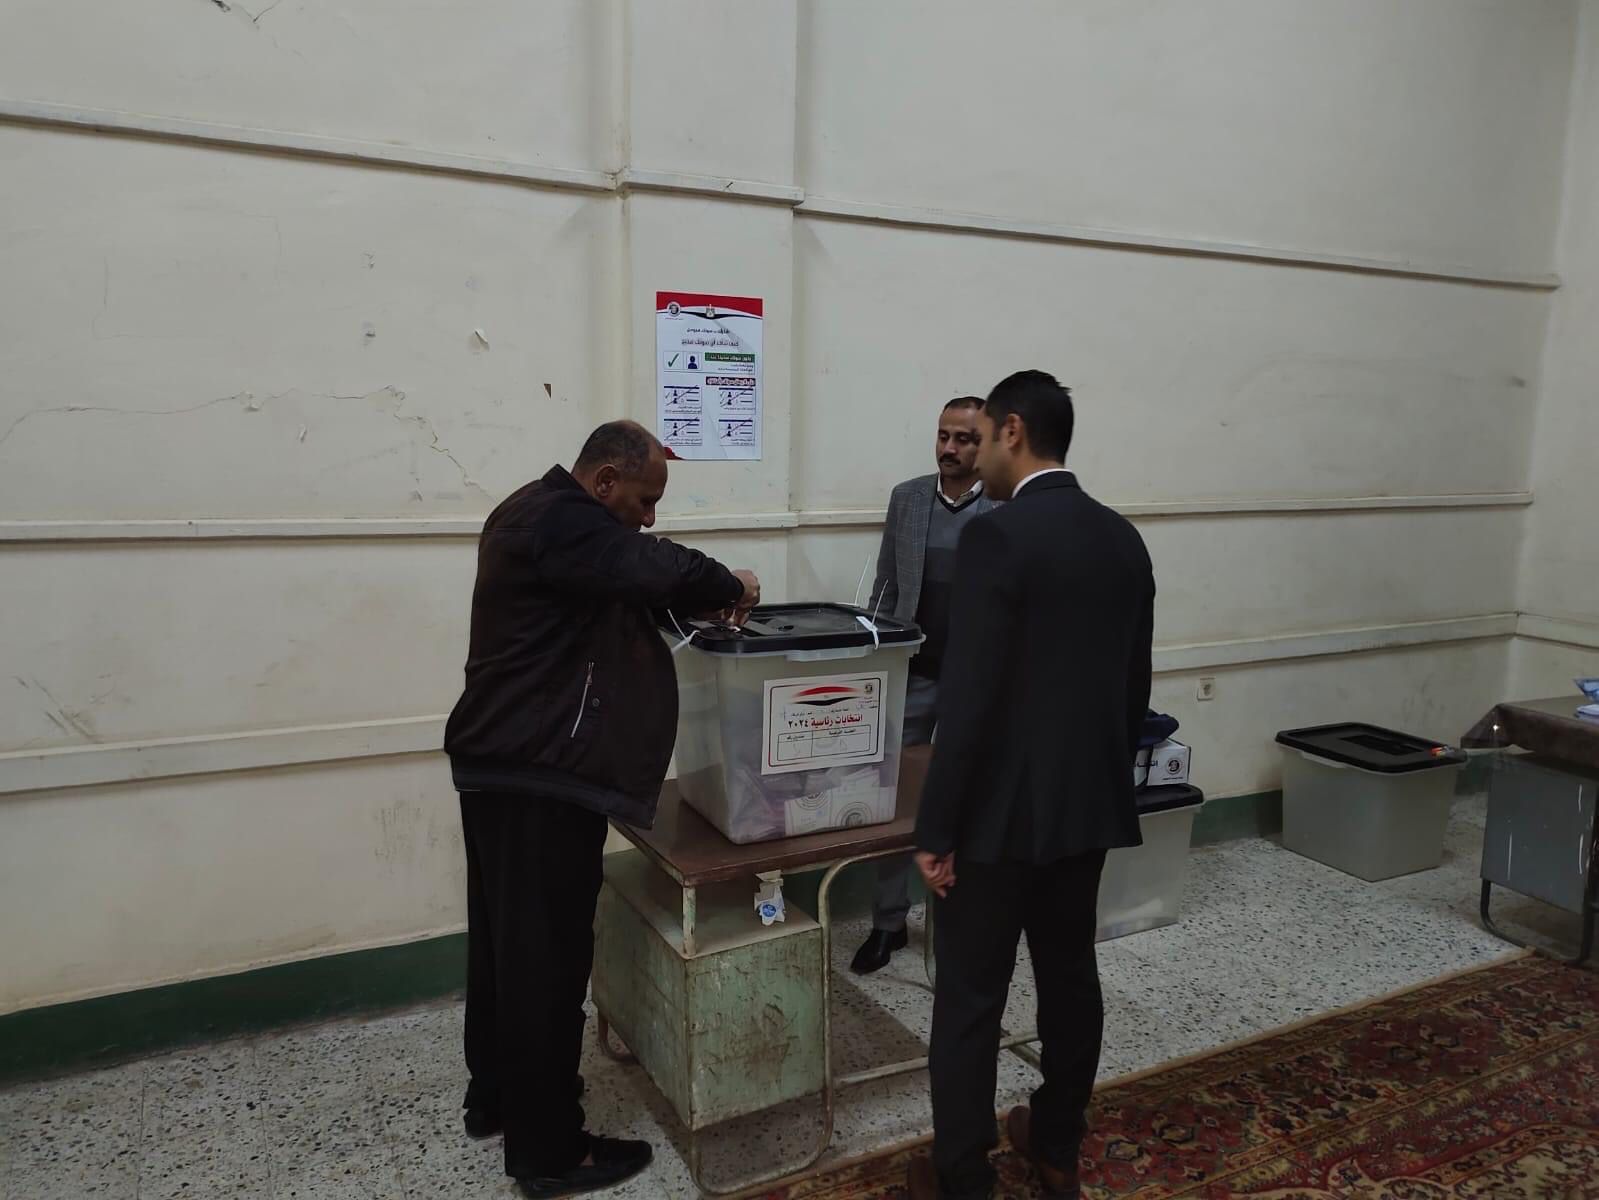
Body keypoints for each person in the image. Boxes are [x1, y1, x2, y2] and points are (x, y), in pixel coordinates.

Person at [444, 420, 760, 1199]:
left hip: (507, 764)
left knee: (507, 954)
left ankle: (498, 1100)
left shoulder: (533, 511)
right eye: (644, 500)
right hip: (538, 774)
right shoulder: (563, 519)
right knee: (547, 966)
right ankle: (550, 1153)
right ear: (605, 480)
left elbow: (619, 588)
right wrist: (730, 585)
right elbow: (656, 566)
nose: (648, 517)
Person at [905, 372, 1155, 1200]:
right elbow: (1131, 692)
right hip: (1084, 809)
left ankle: (962, 1173)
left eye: (979, 437)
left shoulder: (996, 536)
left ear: (1011, 430)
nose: (972, 455)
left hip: (995, 819)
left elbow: (969, 697)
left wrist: (937, 830)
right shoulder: (1122, 538)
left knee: (971, 997)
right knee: (1069, 978)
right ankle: (1055, 1145)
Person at [852, 397, 999, 976]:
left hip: (973, 682)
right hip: (912, 672)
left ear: (987, 443)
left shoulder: (1006, 505)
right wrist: (876, 657)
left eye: (964, 438)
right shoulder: (909, 498)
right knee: (895, 798)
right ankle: (888, 923)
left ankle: (957, 923)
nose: (949, 448)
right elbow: (887, 584)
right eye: (943, 436)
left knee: (968, 799)